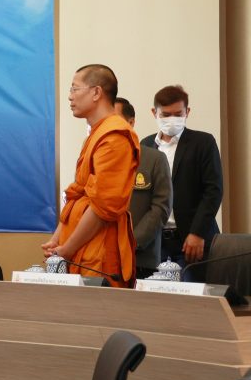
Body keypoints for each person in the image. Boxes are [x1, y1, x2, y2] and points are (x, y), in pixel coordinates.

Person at [41, 65, 138, 287]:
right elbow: (78, 193)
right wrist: (58, 239)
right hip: (79, 245)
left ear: (96, 92)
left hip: (98, 250)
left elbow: (103, 206)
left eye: (74, 89)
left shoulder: (115, 137)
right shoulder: (97, 133)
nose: (70, 96)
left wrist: (67, 249)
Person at [140, 85, 223, 281]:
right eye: (166, 114)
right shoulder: (145, 145)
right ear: (154, 113)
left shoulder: (203, 142)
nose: (172, 119)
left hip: (192, 240)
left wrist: (197, 233)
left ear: (187, 112)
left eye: (178, 114)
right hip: (156, 242)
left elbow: (213, 191)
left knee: (193, 292)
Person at [114, 97, 171, 279]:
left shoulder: (154, 159)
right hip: (101, 256)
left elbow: (161, 208)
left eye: (114, 120)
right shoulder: (95, 158)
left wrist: (131, 242)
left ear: (131, 122)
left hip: (140, 259)